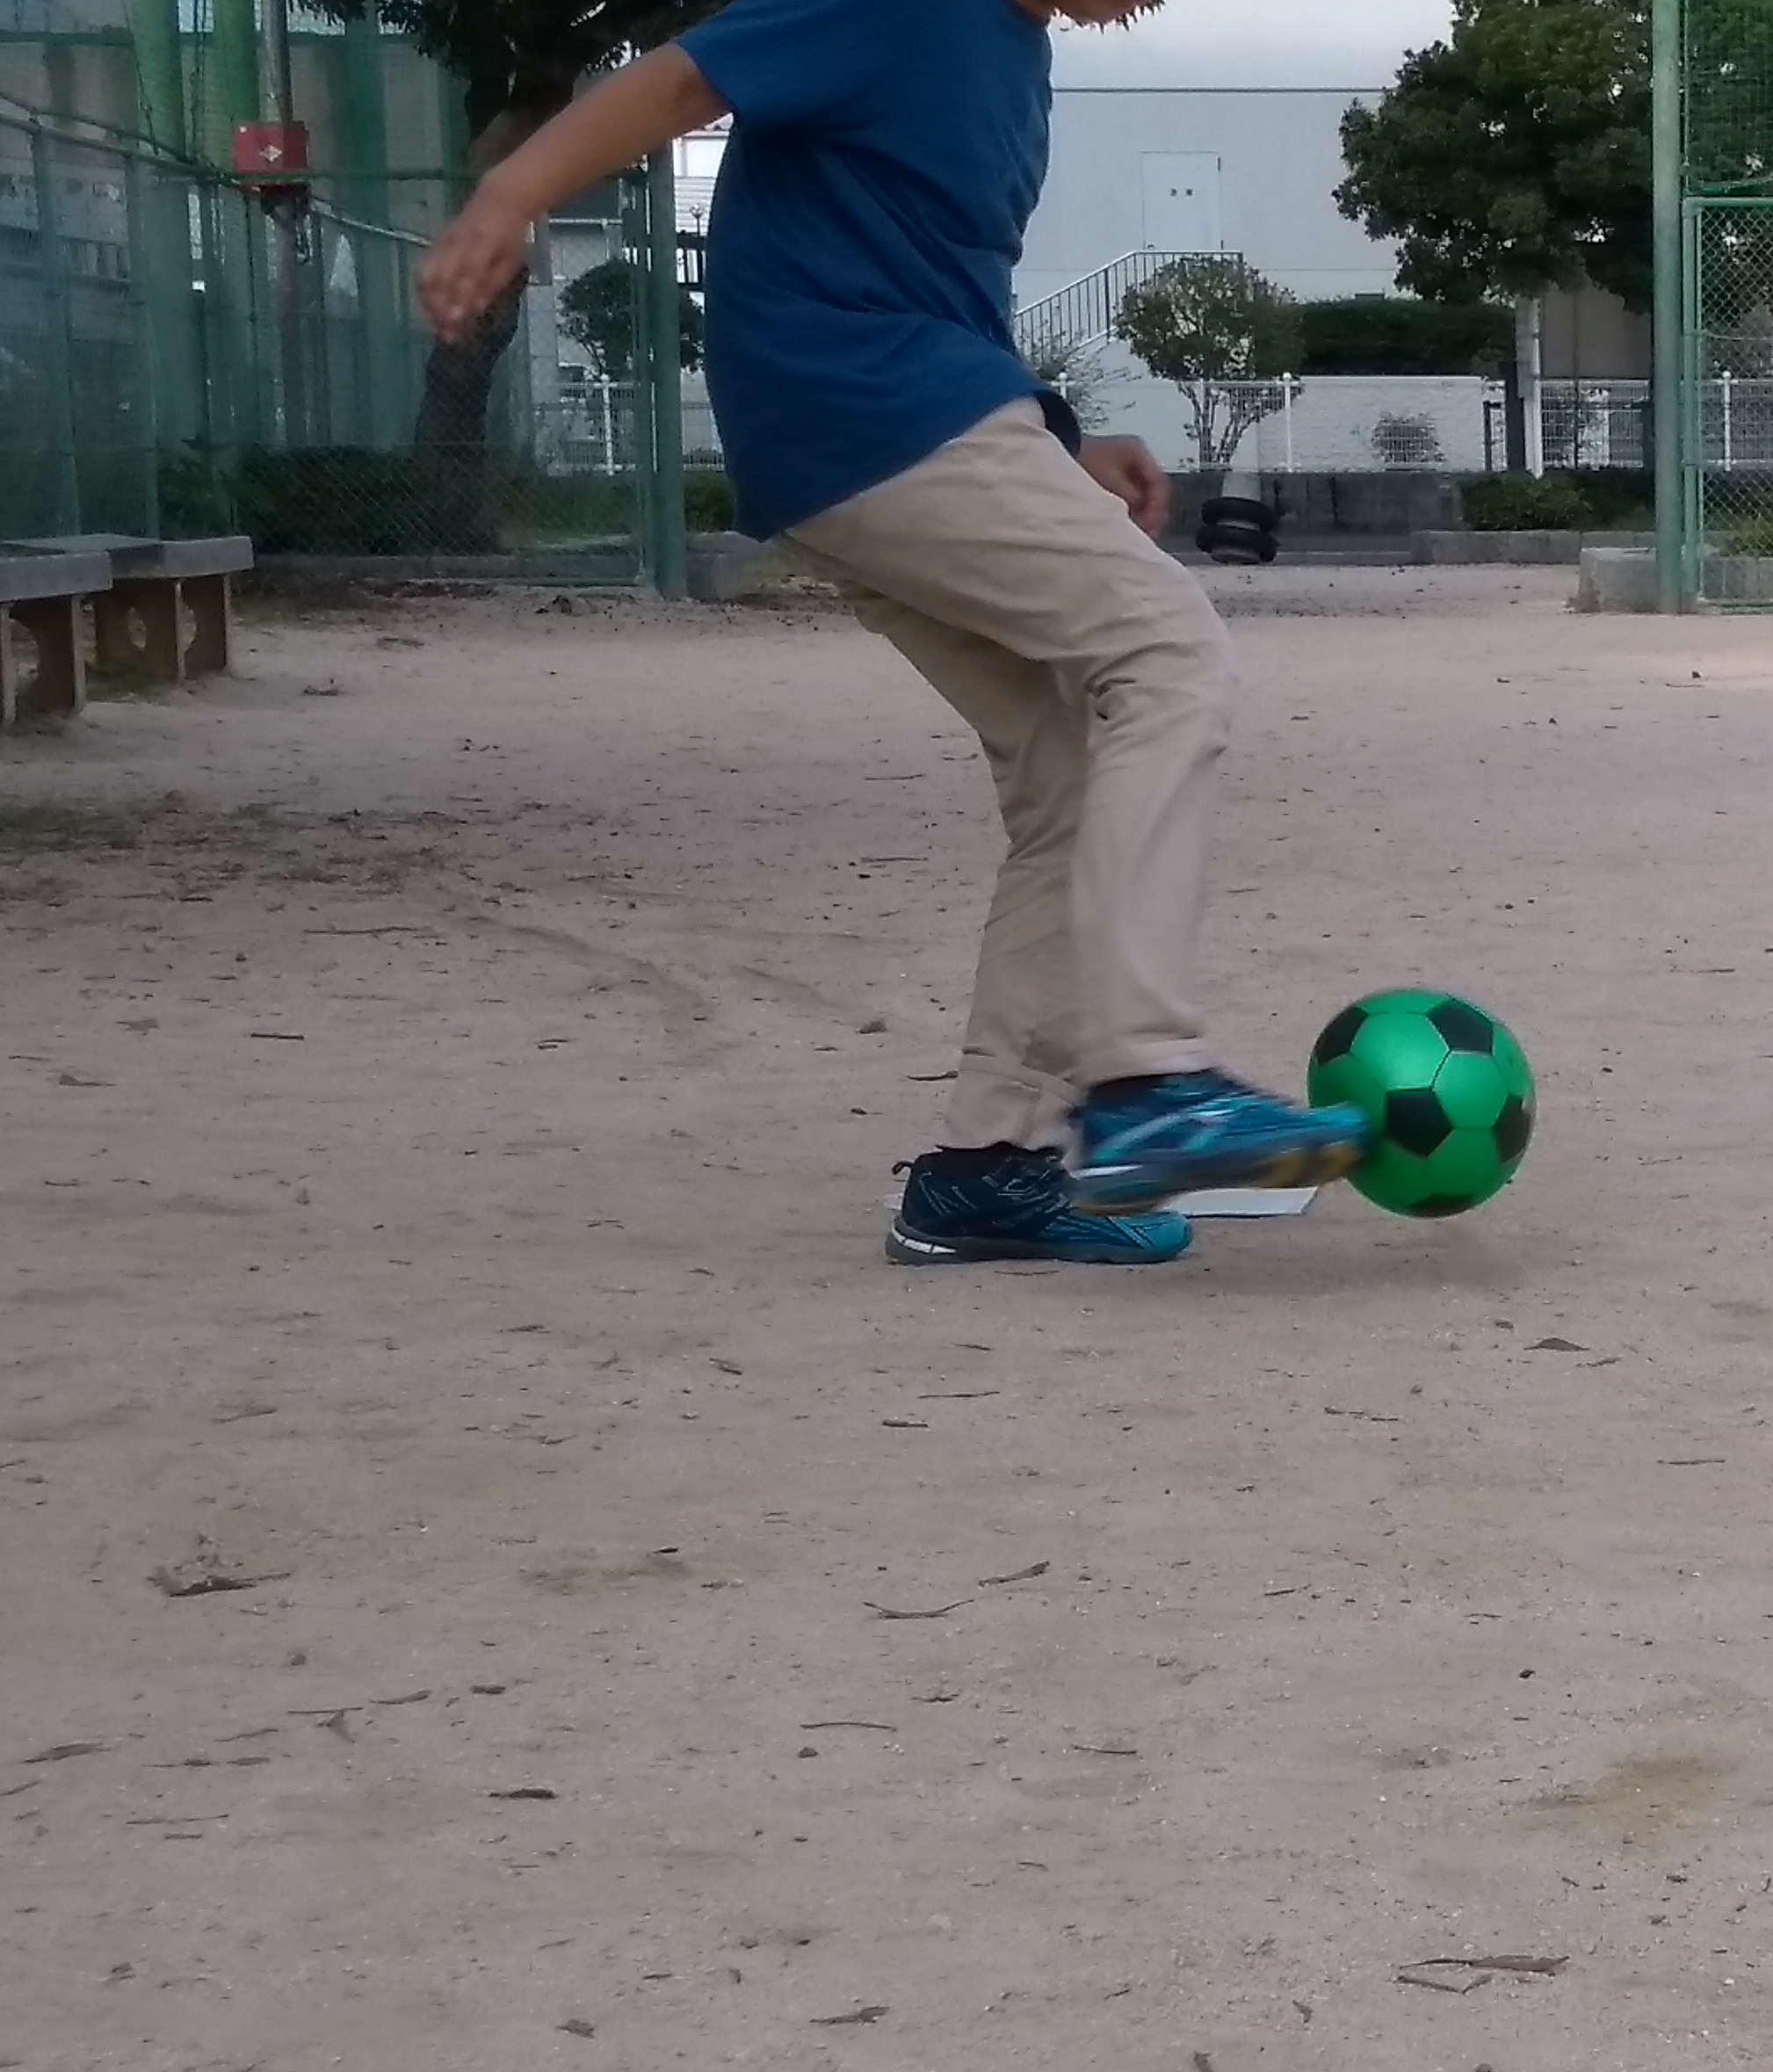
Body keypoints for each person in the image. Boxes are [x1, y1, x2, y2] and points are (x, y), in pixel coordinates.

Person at [416, 0, 1367, 1268]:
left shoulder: (1013, 60)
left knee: (1069, 766)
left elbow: (933, 284)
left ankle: (986, 1168)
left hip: (887, 419)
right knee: (1167, 651)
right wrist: (511, 194)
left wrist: (1058, 440)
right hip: (859, 408)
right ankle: (1147, 1080)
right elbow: (687, 80)